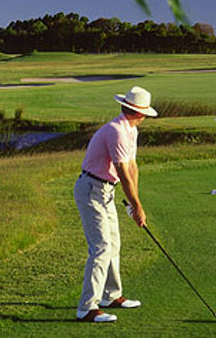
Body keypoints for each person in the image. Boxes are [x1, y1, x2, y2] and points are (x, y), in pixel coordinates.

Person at [74, 86, 158, 323]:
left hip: (106, 191)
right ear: (139, 113)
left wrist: (135, 204)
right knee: (100, 248)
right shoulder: (117, 131)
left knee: (114, 245)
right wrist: (137, 207)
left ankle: (110, 296)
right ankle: (87, 308)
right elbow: (122, 172)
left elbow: (132, 167)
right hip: (91, 190)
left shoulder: (130, 130)